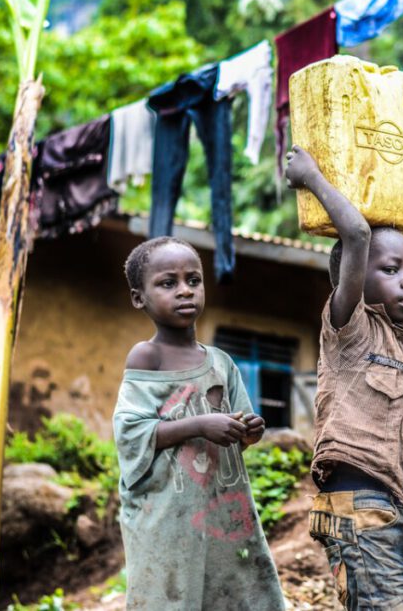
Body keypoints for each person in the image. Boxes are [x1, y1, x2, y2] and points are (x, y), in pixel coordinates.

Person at [285, 146, 403, 610]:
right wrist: (312, 177)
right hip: (361, 511)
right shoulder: (350, 328)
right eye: (391, 270)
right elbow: (357, 234)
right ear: (353, 278)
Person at [113, 237, 285, 610]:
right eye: (168, 283)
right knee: (170, 595)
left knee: (231, 590)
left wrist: (249, 430)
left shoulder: (220, 362)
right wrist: (200, 425)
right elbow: (131, 433)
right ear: (138, 298)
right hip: (164, 515)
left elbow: (239, 428)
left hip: (220, 506)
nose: (185, 291)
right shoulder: (147, 356)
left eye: (193, 280)